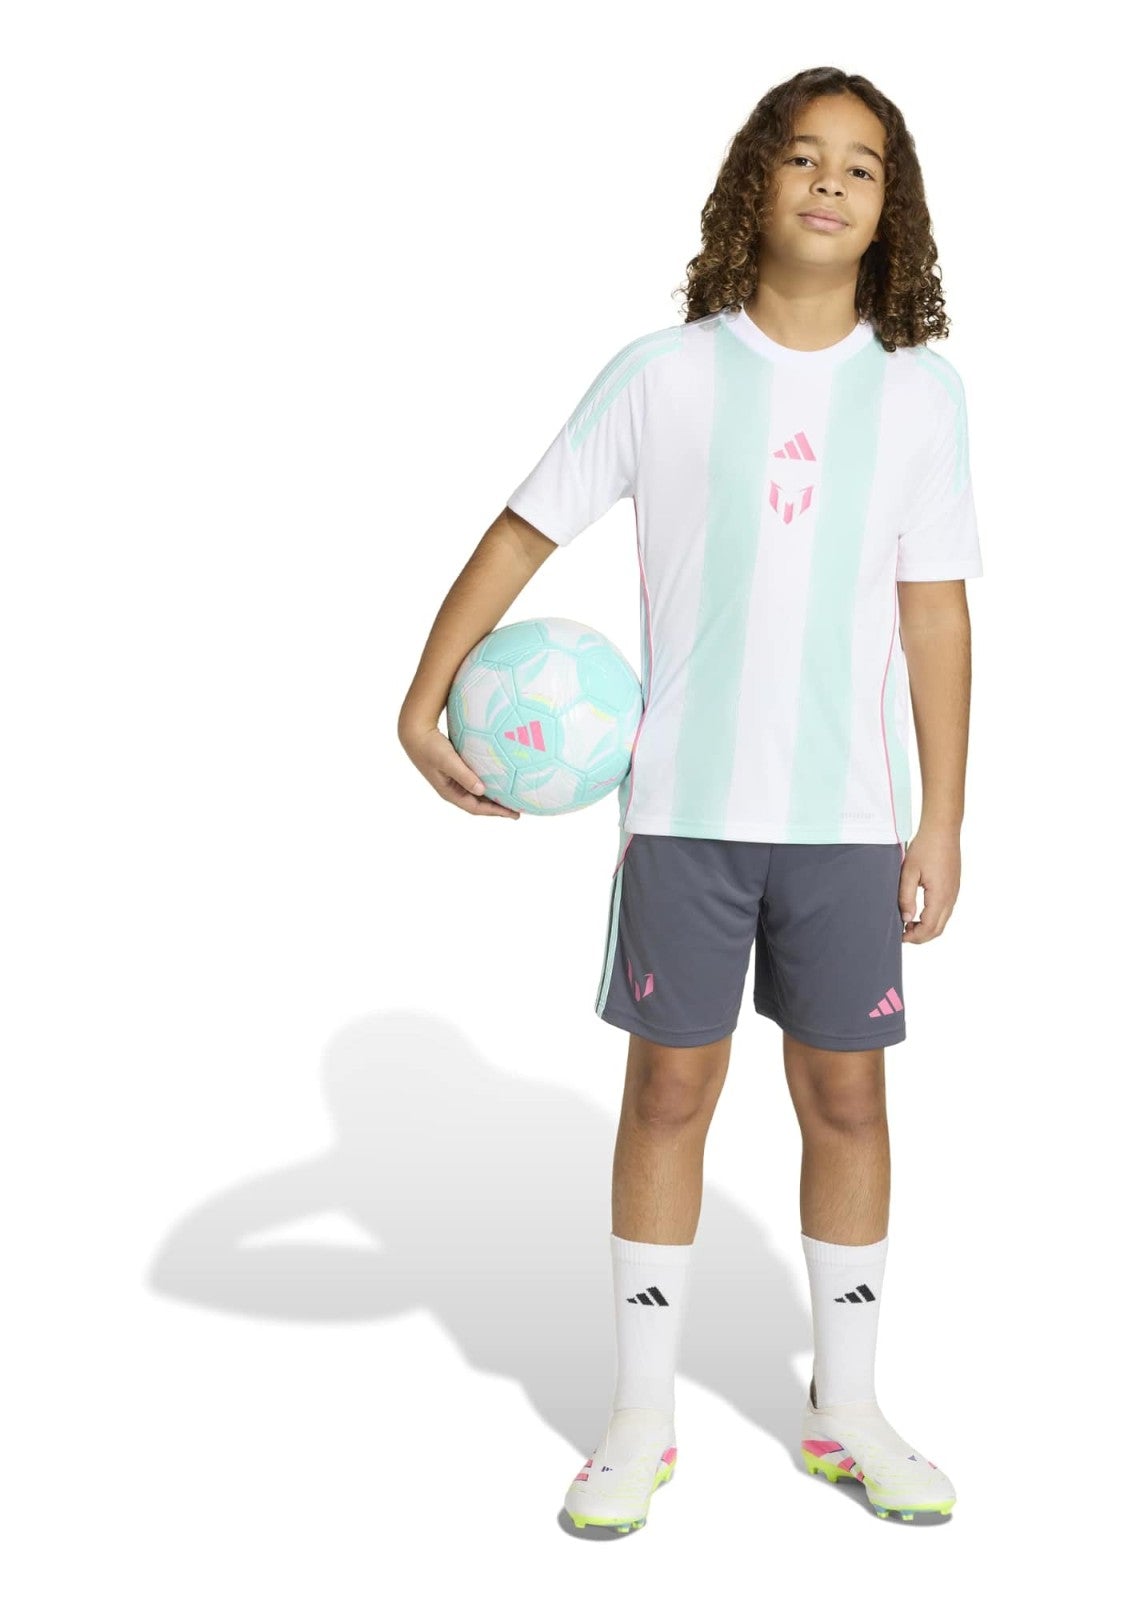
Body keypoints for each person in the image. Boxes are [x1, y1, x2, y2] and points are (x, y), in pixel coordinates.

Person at [398, 66, 981, 1533]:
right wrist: (423, 694)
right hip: (687, 815)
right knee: (670, 1090)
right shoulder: (664, 375)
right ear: (752, 183)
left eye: (863, 165)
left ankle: (847, 1407)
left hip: (848, 823)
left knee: (848, 1097)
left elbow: (935, 612)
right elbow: (523, 528)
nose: (831, 181)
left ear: (892, 210)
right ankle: (640, 1417)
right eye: (803, 155)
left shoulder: (921, 396)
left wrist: (943, 816)